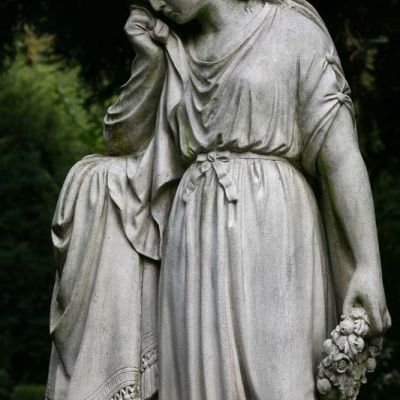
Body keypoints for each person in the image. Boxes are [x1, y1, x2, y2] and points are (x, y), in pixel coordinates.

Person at [47, 0, 391, 399]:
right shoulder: (175, 49)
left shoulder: (294, 32)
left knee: (282, 383)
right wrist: (148, 59)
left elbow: (341, 156)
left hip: (274, 227)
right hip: (191, 232)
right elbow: (123, 141)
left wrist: (368, 265)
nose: (157, 3)